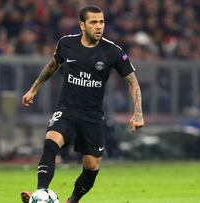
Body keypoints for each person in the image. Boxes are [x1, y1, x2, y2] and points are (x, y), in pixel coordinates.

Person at [21, 5, 144, 203]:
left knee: (91, 167)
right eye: (93, 22)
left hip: (92, 117)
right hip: (67, 110)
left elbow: (132, 82)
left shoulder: (113, 51)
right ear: (82, 25)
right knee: (51, 143)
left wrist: (138, 112)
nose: (99, 26)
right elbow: (53, 64)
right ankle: (41, 193)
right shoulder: (67, 44)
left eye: (101, 22)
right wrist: (33, 89)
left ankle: (73, 201)